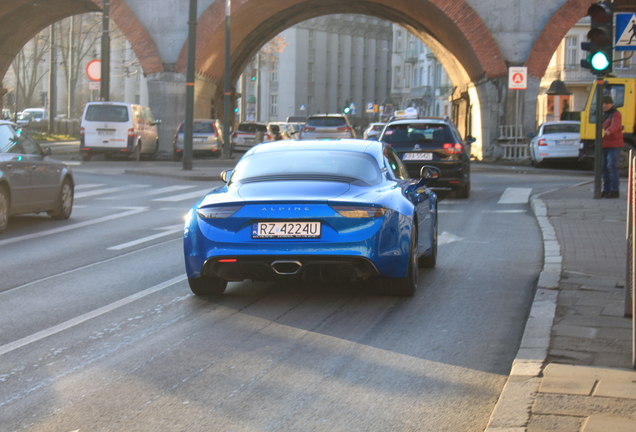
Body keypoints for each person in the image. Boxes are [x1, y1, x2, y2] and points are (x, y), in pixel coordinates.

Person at [601, 95, 623, 198]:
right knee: (604, 168)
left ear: (612, 104)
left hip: (614, 144)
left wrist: (608, 131)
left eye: (607, 103)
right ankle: (606, 190)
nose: (605, 105)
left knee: (611, 166)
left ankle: (614, 190)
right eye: (603, 103)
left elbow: (616, 125)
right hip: (604, 144)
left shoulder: (615, 114)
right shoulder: (603, 114)